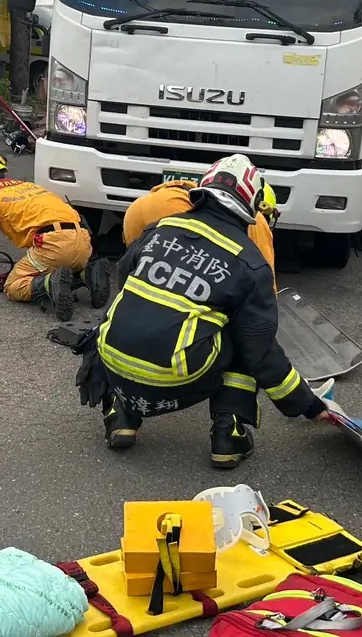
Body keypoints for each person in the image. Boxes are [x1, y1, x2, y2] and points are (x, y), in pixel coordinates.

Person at [85, 154, 330, 468]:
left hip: (112, 359)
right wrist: (308, 405)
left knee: (132, 311)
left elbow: (125, 278)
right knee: (242, 336)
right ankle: (229, 432)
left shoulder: (159, 228)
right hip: (173, 374)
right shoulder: (250, 263)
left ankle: (121, 413)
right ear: (252, 204)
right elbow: (261, 353)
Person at [0, 154, 102, 319]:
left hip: (54, 245)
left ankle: (49, 284)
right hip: (83, 241)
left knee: (12, 286)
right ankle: (86, 274)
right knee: (59, 263)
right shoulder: (31, 187)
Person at [122, 176, 280, 271]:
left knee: (141, 274)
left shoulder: (209, 195)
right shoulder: (258, 222)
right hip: (166, 213)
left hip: (138, 210)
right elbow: (264, 284)